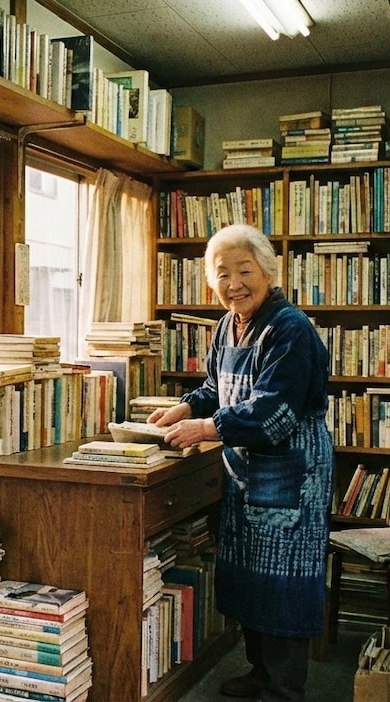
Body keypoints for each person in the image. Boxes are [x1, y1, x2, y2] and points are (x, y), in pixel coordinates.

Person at [147, 223, 332, 702]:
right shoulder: (227, 324)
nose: (234, 283)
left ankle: (285, 689)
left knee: (285, 582)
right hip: (245, 470)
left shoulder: (291, 328)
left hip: (292, 470)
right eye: (222, 273)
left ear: (267, 271)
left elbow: (275, 411)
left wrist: (205, 429)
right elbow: (215, 388)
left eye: (244, 270)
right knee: (250, 577)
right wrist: (186, 407)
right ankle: (259, 673)